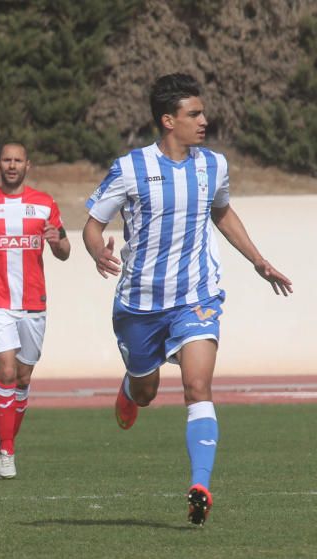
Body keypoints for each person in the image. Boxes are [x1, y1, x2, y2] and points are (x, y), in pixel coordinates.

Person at [83, 73, 292, 526]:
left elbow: (221, 211)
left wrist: (258, 260)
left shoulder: (213, 165)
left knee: (198, 387)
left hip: (196, 296)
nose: (204, 120)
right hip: (139, 304)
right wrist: (96, 249)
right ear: (167, 120)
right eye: (193, 114)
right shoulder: (130, 168)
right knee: (147, 390)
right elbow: (93, 224)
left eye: (202, 112)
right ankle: (130, 388)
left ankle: (200, 485)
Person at [0, 143, 71, 480]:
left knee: (22, 379)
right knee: (6, 372)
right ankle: (6, 452)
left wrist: (56, 241)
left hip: (33, 302)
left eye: (17, 160)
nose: (12, 165)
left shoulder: (44, 204)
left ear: (28, 165)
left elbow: (65, 251)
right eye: (6, 160)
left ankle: (6, 439)